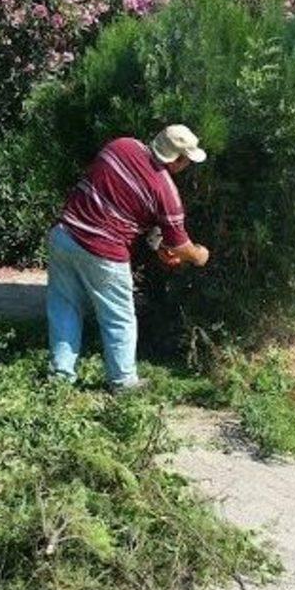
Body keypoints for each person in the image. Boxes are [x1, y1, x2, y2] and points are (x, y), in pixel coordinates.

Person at [47, 124, 210, 391]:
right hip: (103, 252)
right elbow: (181, 246)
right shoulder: (165, 190)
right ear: (178, 159)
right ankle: (122, 382)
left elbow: (121, 199)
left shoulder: (122, 145)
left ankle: (60, 378)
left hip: (64, 236)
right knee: (118, 317)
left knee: (65, 306)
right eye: (187, 160)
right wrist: (199, 255)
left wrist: (156, 244)